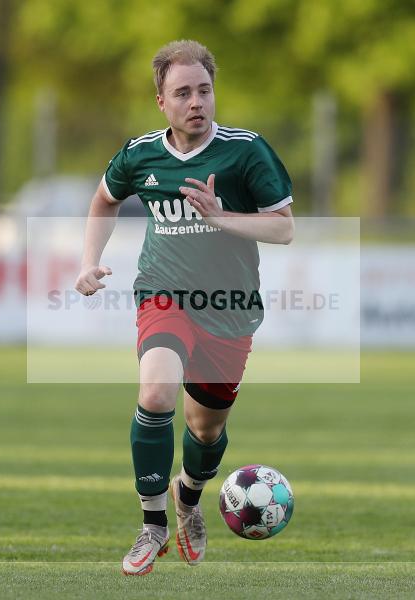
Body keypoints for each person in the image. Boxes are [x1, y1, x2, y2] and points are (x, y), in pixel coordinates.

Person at [74, 39, 294, 576]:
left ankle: (188, 499)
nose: (196, 101)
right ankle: (151, 525)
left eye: (204, 90)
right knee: (155, 393)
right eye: (183, 93)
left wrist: (223, 218)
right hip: (163, 294)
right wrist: (89, 260)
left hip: (229, 308)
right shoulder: (140, 154)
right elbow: (105, 198)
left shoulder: (247, 151)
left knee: (205, 430)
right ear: (162, 102)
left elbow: (284, 227)